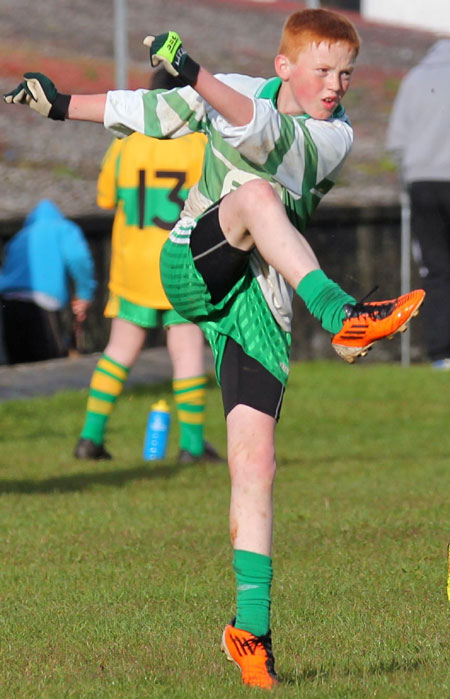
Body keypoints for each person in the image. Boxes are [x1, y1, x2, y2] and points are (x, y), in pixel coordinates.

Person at [4, 8, 425, 689]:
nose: (335, 85)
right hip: (193, 263)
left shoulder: (332, 136)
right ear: (283, 65)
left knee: (256, 462)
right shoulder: (235, 87)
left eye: (346, 74)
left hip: (260, 302)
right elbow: (152, 107)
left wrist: (195, 71)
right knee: (254, 194)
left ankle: (250, 633)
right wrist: (59, 105)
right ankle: (342, 313)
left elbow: (256, 129)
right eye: (322, 70)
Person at [74, 70, 224, 463]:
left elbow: (106, 198)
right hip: (180, 263)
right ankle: (191, 445)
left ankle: (90, 438)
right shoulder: (198, 142)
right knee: (187, 349)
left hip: (134, 265)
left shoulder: (128, 142)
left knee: (119, 349)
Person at [387, 39, 450, 369]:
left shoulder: (415, 78)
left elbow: (396, 141)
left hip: (422, 182)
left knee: (436, 268)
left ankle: (442, 353)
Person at [0, 199, 95, 364]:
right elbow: (78, 258)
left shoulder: (19, 237)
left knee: (19, 363)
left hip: (9, 302)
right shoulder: (64, 228)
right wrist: (84, 294)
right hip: (43, 302)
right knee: (50, 362)